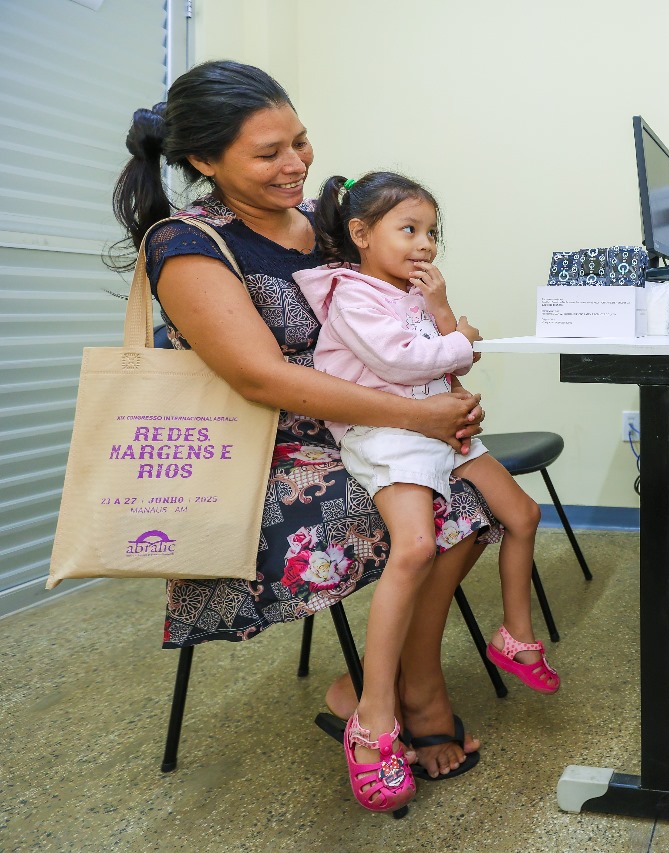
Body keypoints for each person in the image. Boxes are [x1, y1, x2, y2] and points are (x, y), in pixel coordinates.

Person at [111, 60, 492, 798]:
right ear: (203, 160)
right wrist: (421, 414)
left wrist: (442, 371)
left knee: (474, 501)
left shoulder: (326, 222)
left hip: (355, 425)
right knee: (438, 513)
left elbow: (391, 319)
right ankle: (402, 698)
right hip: (264, 456)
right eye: (268, 153)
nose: (296, 165)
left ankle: (390, 684)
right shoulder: (186, 243)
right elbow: (263, 378)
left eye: (301, 141)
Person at [292, 170, 559, 804]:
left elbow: (452, 357)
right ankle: (375, 713)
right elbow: (403, 363)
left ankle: (514, 638)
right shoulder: (350, 294)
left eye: (432, 233)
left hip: (436, 428)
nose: (425, 245)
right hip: (385, 435)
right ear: (360, 234)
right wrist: (458, 340)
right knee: (412, 549)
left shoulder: (407, 294)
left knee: (522, 513)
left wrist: (445, 321)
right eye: (408, 229)